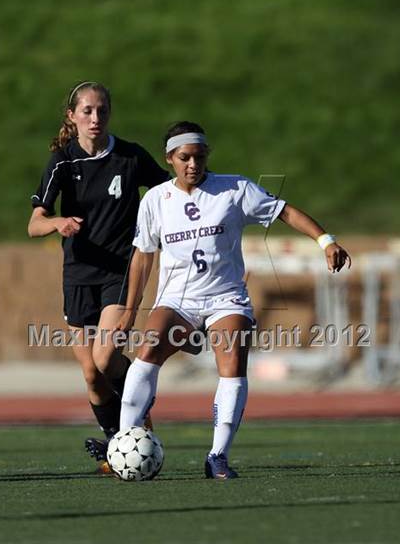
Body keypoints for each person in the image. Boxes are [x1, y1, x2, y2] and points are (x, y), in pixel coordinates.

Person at [115, 120, 351, 479]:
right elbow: (143, 256)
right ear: (169, 159)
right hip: (177, 301)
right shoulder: (155, 200)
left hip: (225, 297)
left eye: (199, 156)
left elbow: (285, 211)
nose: (193, 164)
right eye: (184, 158)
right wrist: (130, 310)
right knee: (147, 352)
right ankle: (123, 442)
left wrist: (325, 240)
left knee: (232, 359)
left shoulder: (234, 189)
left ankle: (217, 457)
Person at [27, 81, 170, 470]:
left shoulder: (129, 157)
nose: (95, 118)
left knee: (106, 358)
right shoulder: (63, 161)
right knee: (91, 375)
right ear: (72, 117)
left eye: (102, 110)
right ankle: (117, 445)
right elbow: (33, 224)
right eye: (87, 111)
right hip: (77, 275)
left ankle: (140, 406)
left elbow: (169, 193)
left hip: (119, 270)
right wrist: (57, 222)